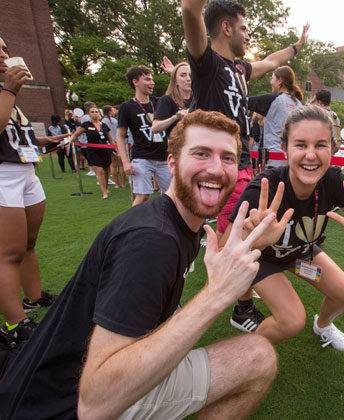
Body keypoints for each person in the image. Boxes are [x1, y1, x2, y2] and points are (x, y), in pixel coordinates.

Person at [0, 110, 278, 419]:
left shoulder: (177, 222)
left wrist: (253, 241)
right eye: (201, 154)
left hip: (50, 390)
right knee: (259, 356)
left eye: (228, 158)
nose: (216, 168)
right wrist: (217, 295)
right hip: (63, 405)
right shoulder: (151, 241)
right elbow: (95, 403)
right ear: (171, 163)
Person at [221, 105, 344, 350]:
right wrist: (252, 238)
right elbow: (223, 251)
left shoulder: (336, 181)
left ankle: (324, 324)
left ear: (333, 148)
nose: (310, 155)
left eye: (320, 145)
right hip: (262, 259)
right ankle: (247, 352)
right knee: (292, 320)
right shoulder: (264, 188)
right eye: (300, 145)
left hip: (299, 255)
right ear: (284, 148)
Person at [181, 0, 309, 236]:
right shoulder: (207, 64)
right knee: (229, 238)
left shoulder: (240, 69)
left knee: (229, 234)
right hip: (219, 163)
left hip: (241, 163)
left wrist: (297, 46)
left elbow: (271, 61)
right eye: (244, 29)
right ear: (226, 28)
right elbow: (190, 10)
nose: (248, 36)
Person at [0, 36, 62, 344]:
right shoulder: (7, 91)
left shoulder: (8, 93)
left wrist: (43, 142)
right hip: (3, 176)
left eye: (5, 47)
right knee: (7, 252)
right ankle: (14, 323)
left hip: (26, 171)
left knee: (28, 243)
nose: (4, 54)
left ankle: (34, 297)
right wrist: (10, 89)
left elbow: (14, 135)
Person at [116, 65, 171, 206]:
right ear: (135, 82)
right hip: (142, 157)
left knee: (171, 195)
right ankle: (133, 225)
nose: (151, 83)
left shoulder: (158, 102)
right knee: (143, 196)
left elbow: (171, 94)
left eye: (152, 79)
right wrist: (125, 162)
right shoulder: (126, 107)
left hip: (163, 157)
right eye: (147, 79)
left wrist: (173, 73)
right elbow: (120, 135)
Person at [248, 65, 303, 169]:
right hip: (293, 160)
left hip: (273, 159)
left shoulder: (273, 100)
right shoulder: (299, 104)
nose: (271, 82)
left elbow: (242, 101)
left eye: (272, 78)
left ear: (279, 81)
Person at [70, 104, 116, 199]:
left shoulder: (104, 125)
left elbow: (110, 138)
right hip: (93, 150)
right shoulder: (86, 125)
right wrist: (71, 141)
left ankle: (106, 187)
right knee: (99, 170)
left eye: (96, 112)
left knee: (107, 170)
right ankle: (104, 193)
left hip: (105, 149)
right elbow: (76, 134)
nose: (95, 114)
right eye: (92, 112)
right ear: (88, 114)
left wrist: (115, 148)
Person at [152, 62, 192, 144]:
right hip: (177, 149)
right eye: (183, 75)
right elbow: (155, 128)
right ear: (175, 81)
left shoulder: (198, 100)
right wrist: (175, 118)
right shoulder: (167, 100)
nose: (188, 79)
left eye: (191, 75)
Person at [102, 105, 125, 188]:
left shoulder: (102, 122)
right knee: (121, 164)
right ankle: (123, 183)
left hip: (109, 143)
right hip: (118, 142)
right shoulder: (115, 121)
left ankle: (117, 184)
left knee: (113, 165)